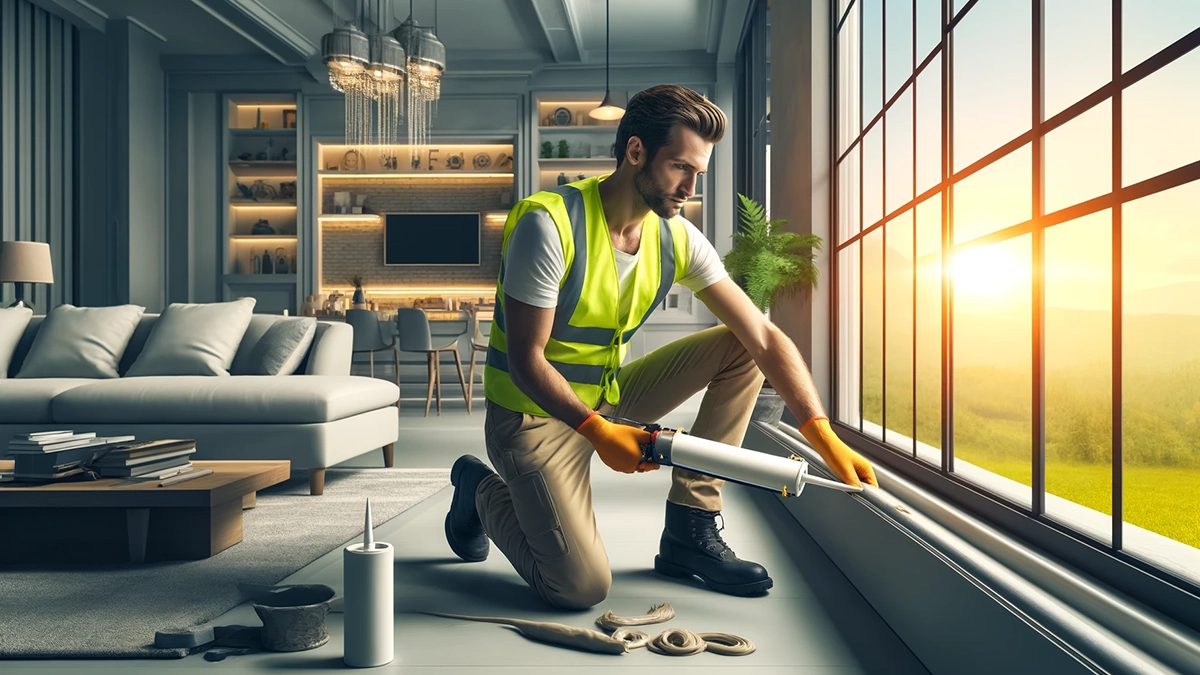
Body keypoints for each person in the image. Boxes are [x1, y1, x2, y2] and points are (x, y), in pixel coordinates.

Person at [445, 84, 878, 609]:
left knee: (740, 345)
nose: (690, 188)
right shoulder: (548, 224)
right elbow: (526, 362)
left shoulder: (677, 236)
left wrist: (821, 433)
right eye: (679, 168)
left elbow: (763, 337)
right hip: (531, 419)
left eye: (699, 173)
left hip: (607, 398)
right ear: (635, 151)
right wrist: (599, 432)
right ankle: (479, 489)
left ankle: (691, 530)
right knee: (580, 588)